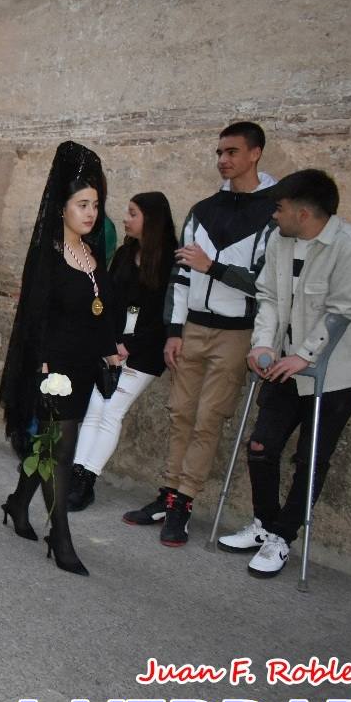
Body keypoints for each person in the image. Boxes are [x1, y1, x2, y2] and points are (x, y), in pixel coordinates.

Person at [216, 170, 351, 577]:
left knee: (310, 458)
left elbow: (342, 312)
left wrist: (305, 357)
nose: (274, 216)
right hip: (283, 364)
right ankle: (266, 525)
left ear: (304, 213)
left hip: (334, 374)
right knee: (261, 446)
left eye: (280, 208)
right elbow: (268, 296)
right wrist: (263, 344)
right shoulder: (280, 241)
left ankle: (283, 538)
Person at [125, 122, 278, 544]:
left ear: (255, 154)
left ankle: (184, 502)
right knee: (180, 414)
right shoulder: (202, 210)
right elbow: (179, 276)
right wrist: (174, 331)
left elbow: (267, 285)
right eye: (219, 153)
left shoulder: (272, 213)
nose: (223, 160)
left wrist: (214, 268)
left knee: (209, 419)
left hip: (236, 333)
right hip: (192, 328)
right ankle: (168, 492)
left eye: (232, 152)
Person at [0, 141, 119, 577]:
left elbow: (99, 307)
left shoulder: (91, 253)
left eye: (95, 205)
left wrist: (111, 347)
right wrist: (42, 369)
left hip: (84, 367)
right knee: (61, 451)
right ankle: (61, 536)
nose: (90, 213)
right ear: (62, 208)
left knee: (50, 448)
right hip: (53, 370)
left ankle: (16, 502)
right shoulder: (49, 256)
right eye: (82, 204)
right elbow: (35, 317)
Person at [68, 192, 179, 510]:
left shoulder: (170, 259)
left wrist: (127, 346)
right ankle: (76, 473)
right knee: (93, 409)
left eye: (133, 214)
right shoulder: (124, 254)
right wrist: (108, 343)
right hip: (110, 349)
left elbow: (166, 316)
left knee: (111, 411)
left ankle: (88, 478)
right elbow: (107, 300)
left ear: (151, 220)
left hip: (143, 352)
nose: (126, 219)